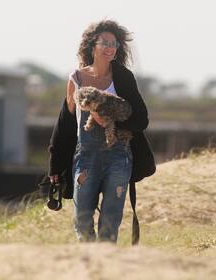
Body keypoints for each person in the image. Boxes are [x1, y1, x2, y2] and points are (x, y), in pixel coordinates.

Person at [47, 20, 155, 244]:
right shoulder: (75, 79)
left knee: (110, 221)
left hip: (119, 156)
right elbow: (65, 125)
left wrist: (108, 118)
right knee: (82, 220)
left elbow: (141, 119)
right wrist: (55, 166)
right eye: (105, 42)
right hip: (85, 157)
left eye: (114, 44)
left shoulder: (124, 77)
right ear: (91, 45)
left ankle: (105, 269)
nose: (110, 47)